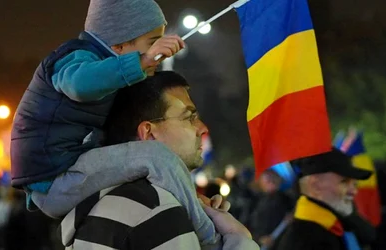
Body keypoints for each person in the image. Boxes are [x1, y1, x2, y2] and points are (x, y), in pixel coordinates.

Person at [10, 0, 185, 208]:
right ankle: (210, 236)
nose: (158, 53)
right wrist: (142, 61)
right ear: (119, 45)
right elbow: (78, 84)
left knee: (149, 160)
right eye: (152, 43)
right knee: (156, 156)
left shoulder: (115, 79)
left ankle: (199, 210)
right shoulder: (75, 57)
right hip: (54, 177)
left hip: (69, 171)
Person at [56, 71, 259, 249]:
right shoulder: (156, 209)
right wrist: (239, 238)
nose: (202, 128)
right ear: (149, 133)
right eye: (189, 117)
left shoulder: (102, 203)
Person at [273, 148, 374, 250]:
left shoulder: (336, 223)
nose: (354, 191)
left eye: (354, 184)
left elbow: (370, 236)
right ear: (316, 186)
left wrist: (351, 217)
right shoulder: (306, 238)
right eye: (344, 182)